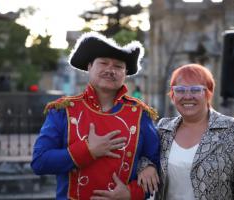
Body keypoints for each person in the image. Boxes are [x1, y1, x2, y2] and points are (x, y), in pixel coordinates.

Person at [31, 31, 160, 200]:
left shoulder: (140, 114)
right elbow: (39, 162)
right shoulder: (63, 110)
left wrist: (132, 193)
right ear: (89, 66)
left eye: (118, 66)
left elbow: (159, 165)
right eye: (103, 63)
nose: (110, 70)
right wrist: (88, 150)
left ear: (125, 73)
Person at [138, 63, 234, 199]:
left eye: (195, 90)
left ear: (208, 94)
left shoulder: (233, 129)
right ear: (172, 95)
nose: (187, 96)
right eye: (180, 90)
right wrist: (147, 166)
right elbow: (144, 155)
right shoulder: (164, 129)